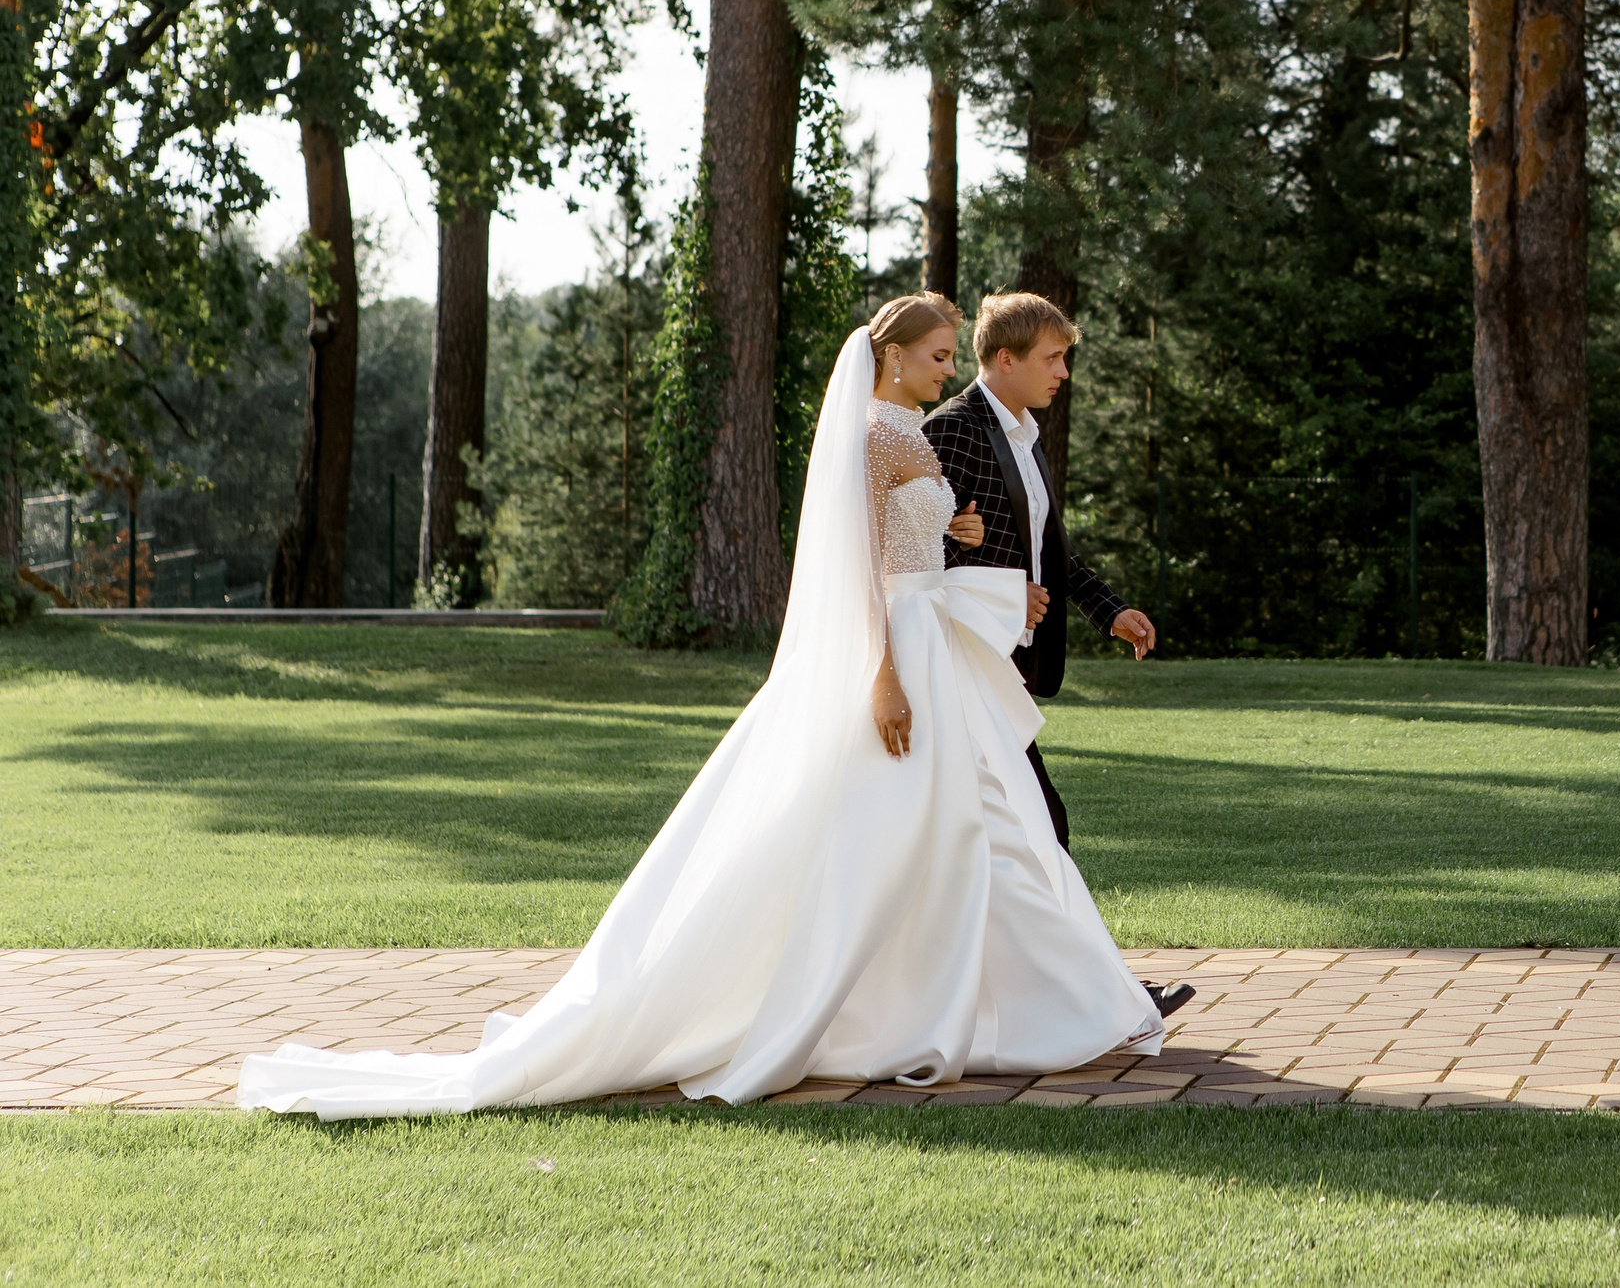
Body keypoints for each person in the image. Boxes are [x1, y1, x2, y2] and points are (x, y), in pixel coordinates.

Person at [235, 295, 1165, 1117]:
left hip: (936, 646)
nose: (946, 371)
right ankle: (888, 1004)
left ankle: (1012, 998)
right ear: (891, 358)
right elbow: (856, 568)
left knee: (977, 827)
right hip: (902, 653)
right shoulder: (877, 435)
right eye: (936, 357)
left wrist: (952, 527)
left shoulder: (911, 436)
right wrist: (882, 670)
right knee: (930, 830)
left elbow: (910, 539)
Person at [923, 292, 1191, 1020]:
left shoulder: (1026, 434)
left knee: (1018, 836)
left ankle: (1050, 997)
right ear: (1003, 359)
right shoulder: (949, 432)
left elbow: (1052, 551)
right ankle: (1096, 997)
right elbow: (917, 552)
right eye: (1052, 357)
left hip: (1008, 675)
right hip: (963, 668)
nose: (1063, 372)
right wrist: (1008, 598)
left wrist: (1110, 611)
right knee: (1039, 825)